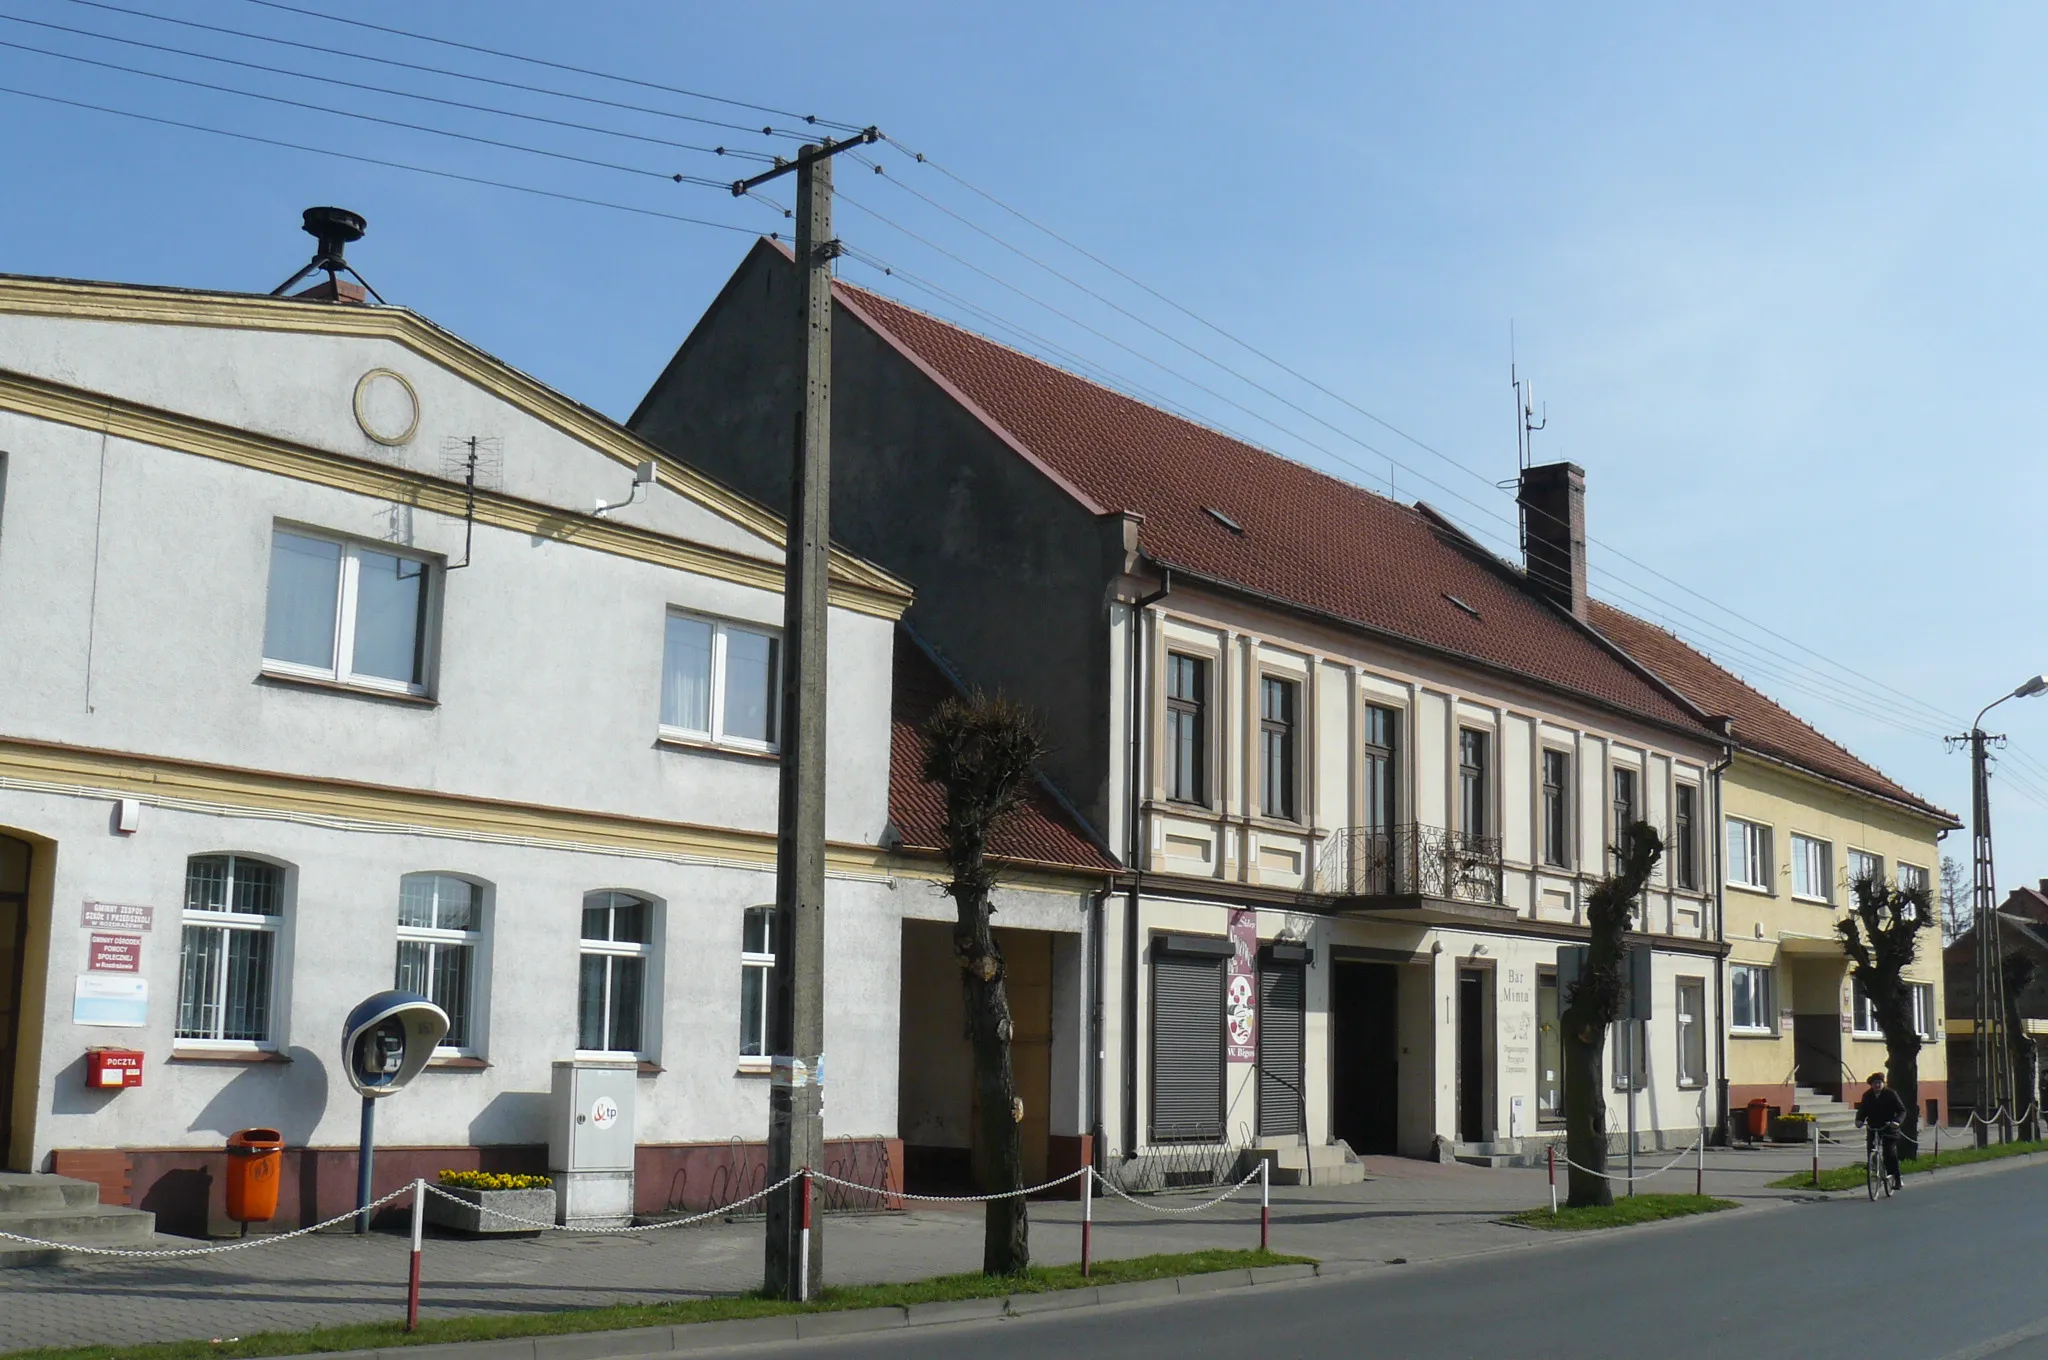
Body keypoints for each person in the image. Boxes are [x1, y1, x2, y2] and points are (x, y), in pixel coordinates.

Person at [1855, 1071, 1908, 1191]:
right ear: (1871, 1084)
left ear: (1883, 1084)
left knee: (1889, 1152)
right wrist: (1859, 1120)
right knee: (1871, 1149)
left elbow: (1901, 1111)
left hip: (1889, 1127)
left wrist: (1896, 1121)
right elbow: (1862, 1110)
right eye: (1875, 1083)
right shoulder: (1867, 1096)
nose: (1877, 1085)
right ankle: (1874, 1169)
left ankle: (1897, 1178)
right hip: (1873, 1126)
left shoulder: (1891, 1094)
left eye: (1880, 1083)